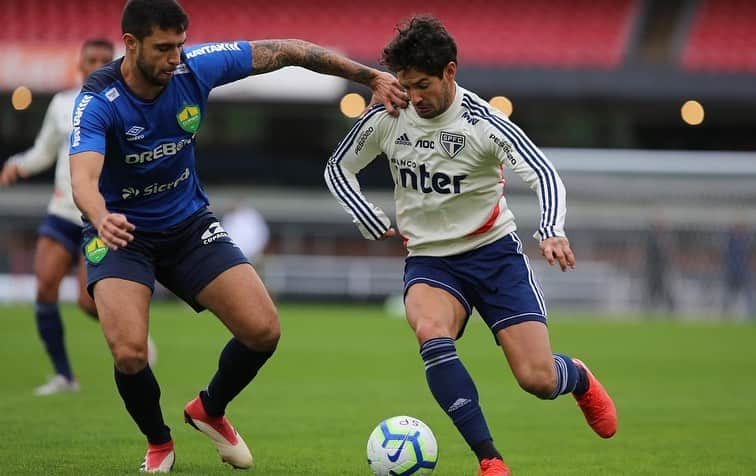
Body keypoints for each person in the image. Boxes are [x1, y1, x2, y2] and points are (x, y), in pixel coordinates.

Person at [68, 0, 407, 472]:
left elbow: (290, 51)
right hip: (122, 232)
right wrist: (102, 216)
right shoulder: (98, 101)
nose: (174, 58)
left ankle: (209, 408)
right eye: (163, 48)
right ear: (130, 44)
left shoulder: (194, 68)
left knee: (263, 330)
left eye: (179, 46)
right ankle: (159, 443)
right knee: (128, 352)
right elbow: (83, 180)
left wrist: (367, 76)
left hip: (187, 225)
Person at [325, 16, 617, 476]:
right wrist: (369, 218)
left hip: (494, 255)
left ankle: (576, 376)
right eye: (405, 85)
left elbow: (543, 173)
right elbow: (338, 169)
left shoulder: (481, 121)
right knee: (430, 333)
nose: (413, 96)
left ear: (450, 72)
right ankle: (490, 459)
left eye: (422, 84)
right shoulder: (389, 115)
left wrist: (551, 230)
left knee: (536, 380)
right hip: (430, 260)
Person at [0, 39, 131, 395]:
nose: (99, 65)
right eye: (93, 59)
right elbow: (45, 152)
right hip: (62, 210)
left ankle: (136, 341)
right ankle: (63, 375)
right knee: (44, 286)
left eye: (107, 59)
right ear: (80, 65)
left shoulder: (128, 104)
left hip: (102, 218)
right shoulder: (62, 104)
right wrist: (17, 166)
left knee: (90, 302)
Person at [722, 222, 754, 319]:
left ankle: (751, 314)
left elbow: (750, 256)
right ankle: (726, 314)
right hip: (732, 271)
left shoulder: (747, 240)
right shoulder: (731, 240)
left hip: (744, 271)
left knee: (749, 294)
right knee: (729, 294)